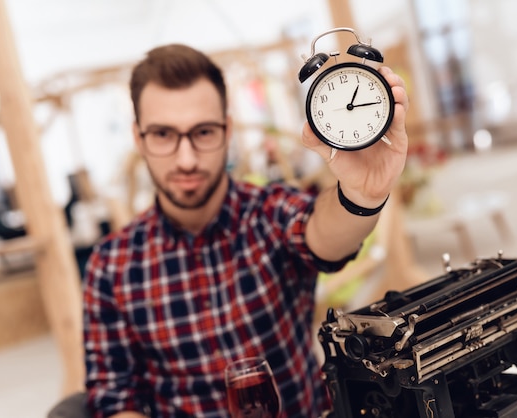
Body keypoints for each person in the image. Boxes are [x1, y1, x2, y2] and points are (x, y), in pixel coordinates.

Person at [82, 43, 409, 417]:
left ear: (227, 130)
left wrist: (361, 194)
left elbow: (324, 236)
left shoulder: (268, 214)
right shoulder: (110, 266)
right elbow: (113, 399)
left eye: (203, 132)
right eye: (163, 135)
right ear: (139, 138)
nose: (186, 159)